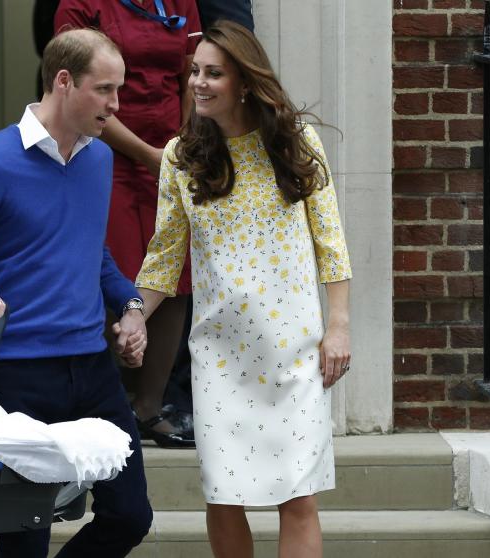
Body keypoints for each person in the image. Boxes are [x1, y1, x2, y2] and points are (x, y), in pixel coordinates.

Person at [0, 28, 152, 558]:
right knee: (26, 538)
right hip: (16, 374)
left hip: (92, 369)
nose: (116, 106)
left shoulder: (98, 159)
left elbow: (93, 255)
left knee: (130, 515)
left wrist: (132, 307)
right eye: (105, 90)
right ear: (64, 81)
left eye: (120, 91)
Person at [135, 20, 352, 558]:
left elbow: (331, 242)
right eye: (194, 72)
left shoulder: (296, 143)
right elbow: (163, 259)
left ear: (245, 81)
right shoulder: (181, 159)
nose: (198, 83)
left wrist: (339, 326)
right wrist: (134, 314)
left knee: (298, 498)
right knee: (224, 497)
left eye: (213, 73)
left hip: (293, 351)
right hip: (219, 357)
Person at [54, 0, 200, 448]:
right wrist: (149, 156)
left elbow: (192, 74)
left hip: (169, 155)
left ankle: (149, 408)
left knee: (176, 276)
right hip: (103, 154)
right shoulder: (80, 5)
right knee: (110, 275)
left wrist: (182, 144)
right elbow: (74, 90)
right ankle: (105, 405)